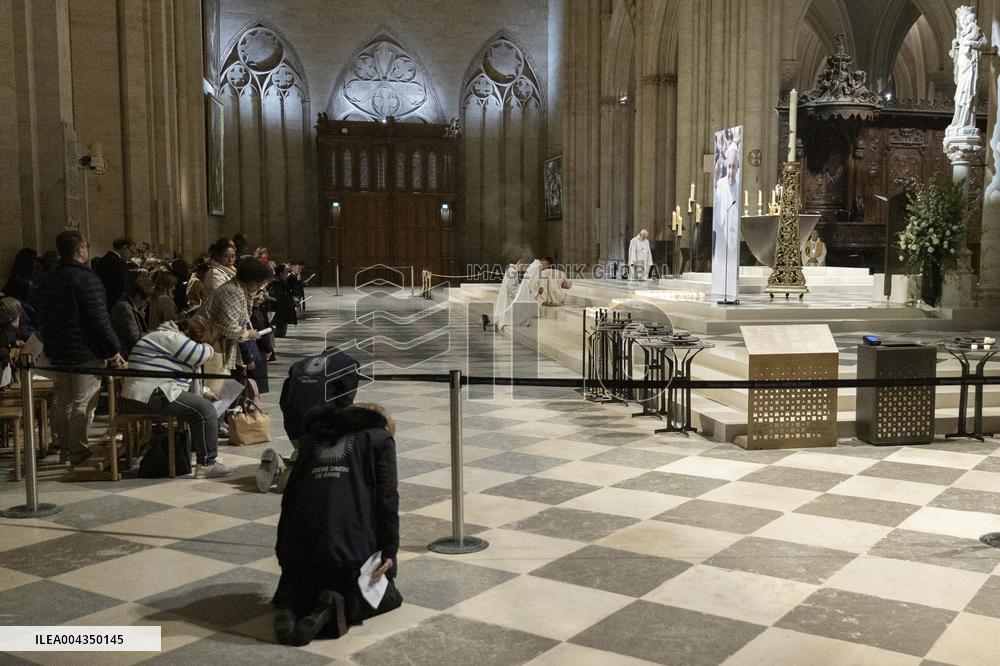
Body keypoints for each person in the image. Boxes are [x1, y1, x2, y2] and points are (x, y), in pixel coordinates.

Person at [273, 402, 400, 645]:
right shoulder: (379, 439)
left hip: (298, 554)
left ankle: (290, 605)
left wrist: (283, 551)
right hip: (346, 555)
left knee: (300, 584)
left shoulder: (311, 440)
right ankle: (330, 604)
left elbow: (289, 499)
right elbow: (387, 501)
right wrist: (389, 553)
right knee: (389, 595)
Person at [31, 230, 124, 466]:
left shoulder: (48, 278)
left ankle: (64, 448)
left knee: (63, 399)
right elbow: (98, 320)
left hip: (58, 348)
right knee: (84, 401)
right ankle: (78, 450)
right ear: (80, 250)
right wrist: (113, 349)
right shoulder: (86, 279)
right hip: (84, 349)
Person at [120, 315, 231, 478]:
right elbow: (200, 355)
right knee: (205, 410)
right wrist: (209, 344)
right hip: (150, 395)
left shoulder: (162, 336)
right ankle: (207, 464)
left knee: (201, 405)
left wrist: (204, 391)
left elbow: (177, 372)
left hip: (147, 393)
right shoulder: (169, 337)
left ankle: (204, 455)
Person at [257, 346, 361, 493]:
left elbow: (284, 401)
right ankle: (299, 466)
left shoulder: (300, 364)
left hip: (293, 423)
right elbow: (345, 402)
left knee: (309, 447)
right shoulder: (350, 365)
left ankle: (279, 462)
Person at [201, 256, 270, 379]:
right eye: (259, 284)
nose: (259, 287)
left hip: (221, 346)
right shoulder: (234, 291)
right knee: (221, 390)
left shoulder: (238, 288)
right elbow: (229, 327)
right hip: (214, 346)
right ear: (251, 281)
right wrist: (248, 334)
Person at [712, 142, 741, 298]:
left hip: (734, 234)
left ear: (738, 168)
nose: (730, 172)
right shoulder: (721, 184)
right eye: (728, 167)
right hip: (723, 234)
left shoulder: (740, 186)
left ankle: (731, 289)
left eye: (733, 167)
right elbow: (716, 205)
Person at [110, 272, 151, 357]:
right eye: (145, 302)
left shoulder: (127, 305)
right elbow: (135, 338)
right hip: (126, 353)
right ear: (138, 296)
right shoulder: (125, 308)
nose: (145, 305)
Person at [94, 238, 135, 307]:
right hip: (116, 305)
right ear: (124, 248)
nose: (132, 256)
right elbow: (122, 287)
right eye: (132, 252)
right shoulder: (118, 263)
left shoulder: (104, 260)